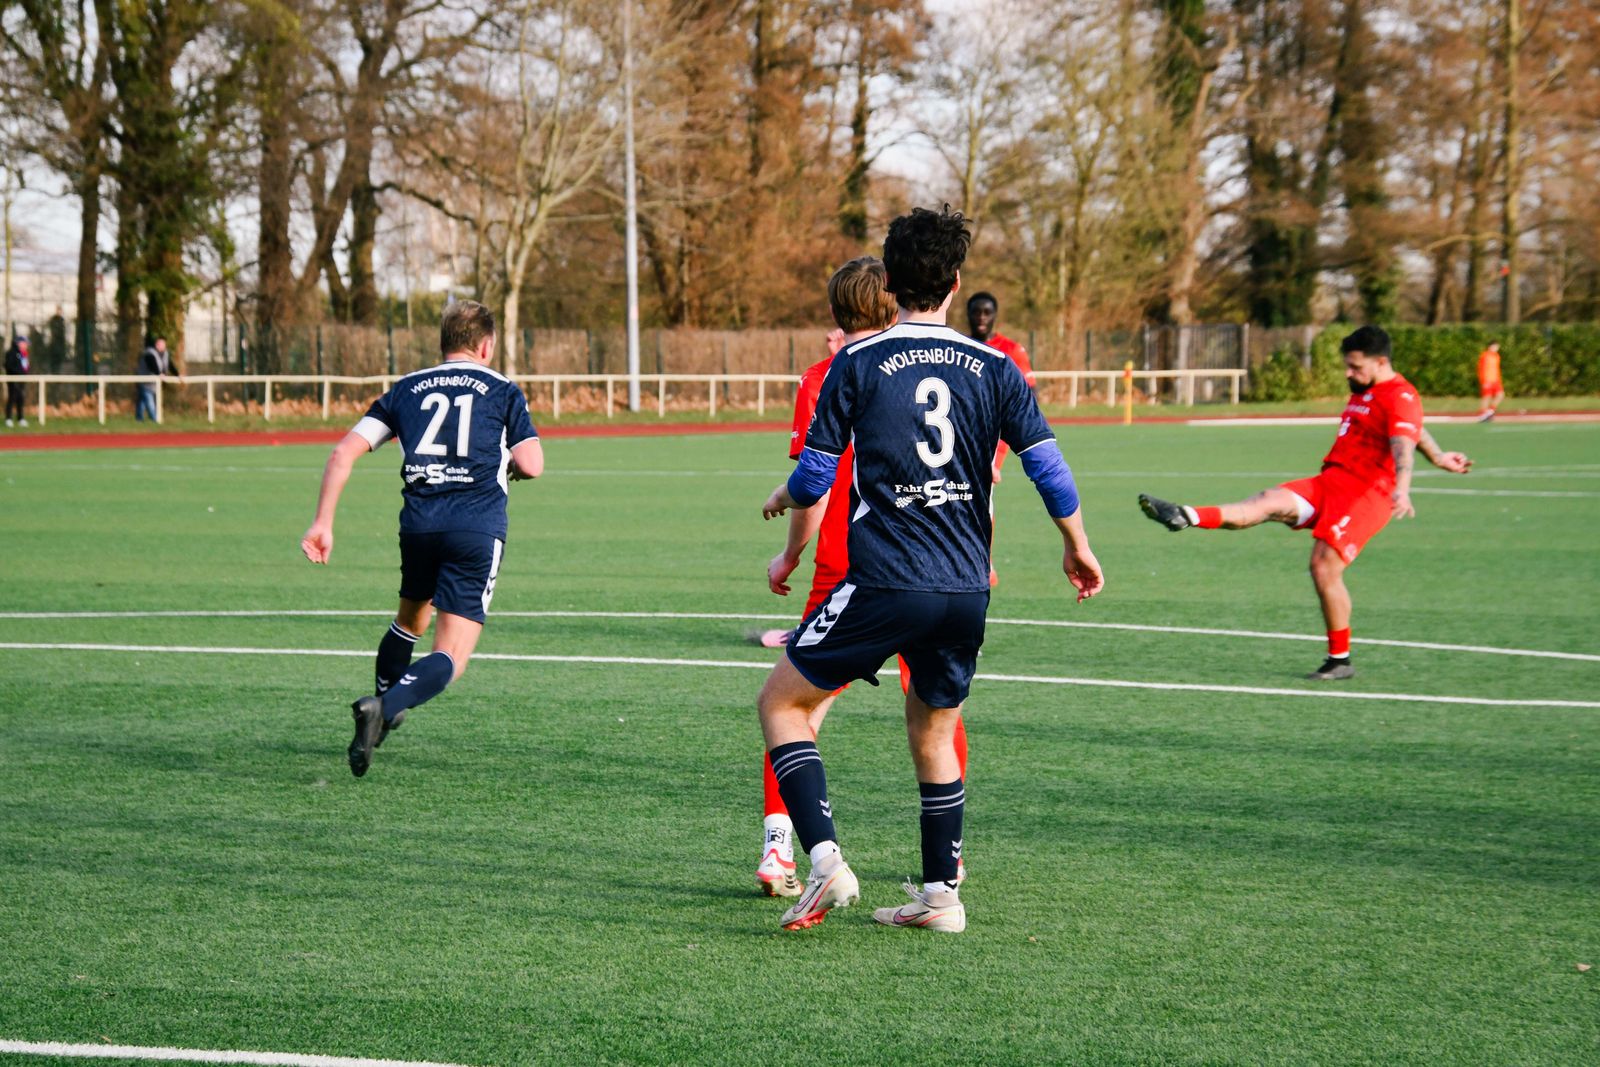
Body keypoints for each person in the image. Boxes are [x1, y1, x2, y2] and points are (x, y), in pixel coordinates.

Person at [757, 206, 1104, 934]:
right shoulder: (997, 366)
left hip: (886, 578)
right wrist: (1076, 544)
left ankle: (824, 861)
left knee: (782, 705)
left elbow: (815, 478)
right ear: (955, 282)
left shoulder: (856, 363)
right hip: (966, 587)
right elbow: (1048, 468)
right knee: (935, 731)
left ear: (889, 281)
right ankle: (942, 896)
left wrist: (784, 497)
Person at [754, 257, 970, 898]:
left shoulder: (825, 375)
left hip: (846, 564)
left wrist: (790, 555)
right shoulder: (944, 368)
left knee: (794, 705)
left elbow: (814, 486)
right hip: (935, 562)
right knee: (938, 713)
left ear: (834, 312)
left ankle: (781, 848)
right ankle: (948, 864)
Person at [1138, 325, 1473, 680]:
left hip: (1366, 495)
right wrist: (1438, 456)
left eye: (1355, 367)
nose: (1348, 373)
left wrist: (1403, 488)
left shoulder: (1400, 394)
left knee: (1324, 567)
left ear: (1380, 362)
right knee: (1268, 501)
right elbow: (1413, 427)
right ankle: (1184, 515)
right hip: (1332, 481)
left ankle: (1340, 660)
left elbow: (1403, 442)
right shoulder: (1373, 389)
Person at [300, 300, 544, 778]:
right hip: (475, 528)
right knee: (450, 655)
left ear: (443, 342)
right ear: (487, 345)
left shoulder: (407, 388)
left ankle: (381, 718)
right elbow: (532, 464)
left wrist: (322, 522)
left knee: (410, 620)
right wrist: (510, 465)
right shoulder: (502, 389)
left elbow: (342, 453)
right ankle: (384, 708)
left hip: (419, 526)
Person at [966, 291, 1038, 586]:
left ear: (995, 315)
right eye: (977, 312)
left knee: (983, 494)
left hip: (995, 436)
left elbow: (1029, 395)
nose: (981, 317)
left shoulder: (1011, 350)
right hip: (963, 432)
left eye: (987, 312)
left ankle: (985, 561)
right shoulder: (960, 346)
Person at [135, 337, 180, 422]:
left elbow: (170, 365)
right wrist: (159, 374)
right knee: (149, 401)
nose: (163, 346)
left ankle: (139, 419)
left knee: (142, 400)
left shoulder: (165, 354)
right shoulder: (149, 353)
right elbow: (152, 366)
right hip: (145, 381)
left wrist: (178, 374)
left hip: (153, 383)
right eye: (161, 344)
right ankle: (155, 419)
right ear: (156, 345)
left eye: (164, 344)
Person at [4, 334, 29, 426]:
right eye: (24, 343)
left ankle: (20, 418)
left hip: (22, 380)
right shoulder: (11, 353)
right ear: (19, 343)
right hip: (13, 380)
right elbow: (8, 366)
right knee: (12, 398)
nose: (26, 345)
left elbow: (25, 367)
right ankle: (8, 418)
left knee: (21, 398)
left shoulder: (24, 354)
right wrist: (18, 373)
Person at [1477, 341, 1503, 422]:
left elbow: (1497, 369)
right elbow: (1481, 369)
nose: (1496, 348)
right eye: (1495, 346)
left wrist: (1499, 380)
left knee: (1500, 395)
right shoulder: (1485, 356)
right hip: (1487, 380)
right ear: (1490, 346)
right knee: (1487, 397)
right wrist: (1483, 380)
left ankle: (1490, 411)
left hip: (1496, 380)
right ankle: (1482, 414)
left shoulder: (1497, 356)